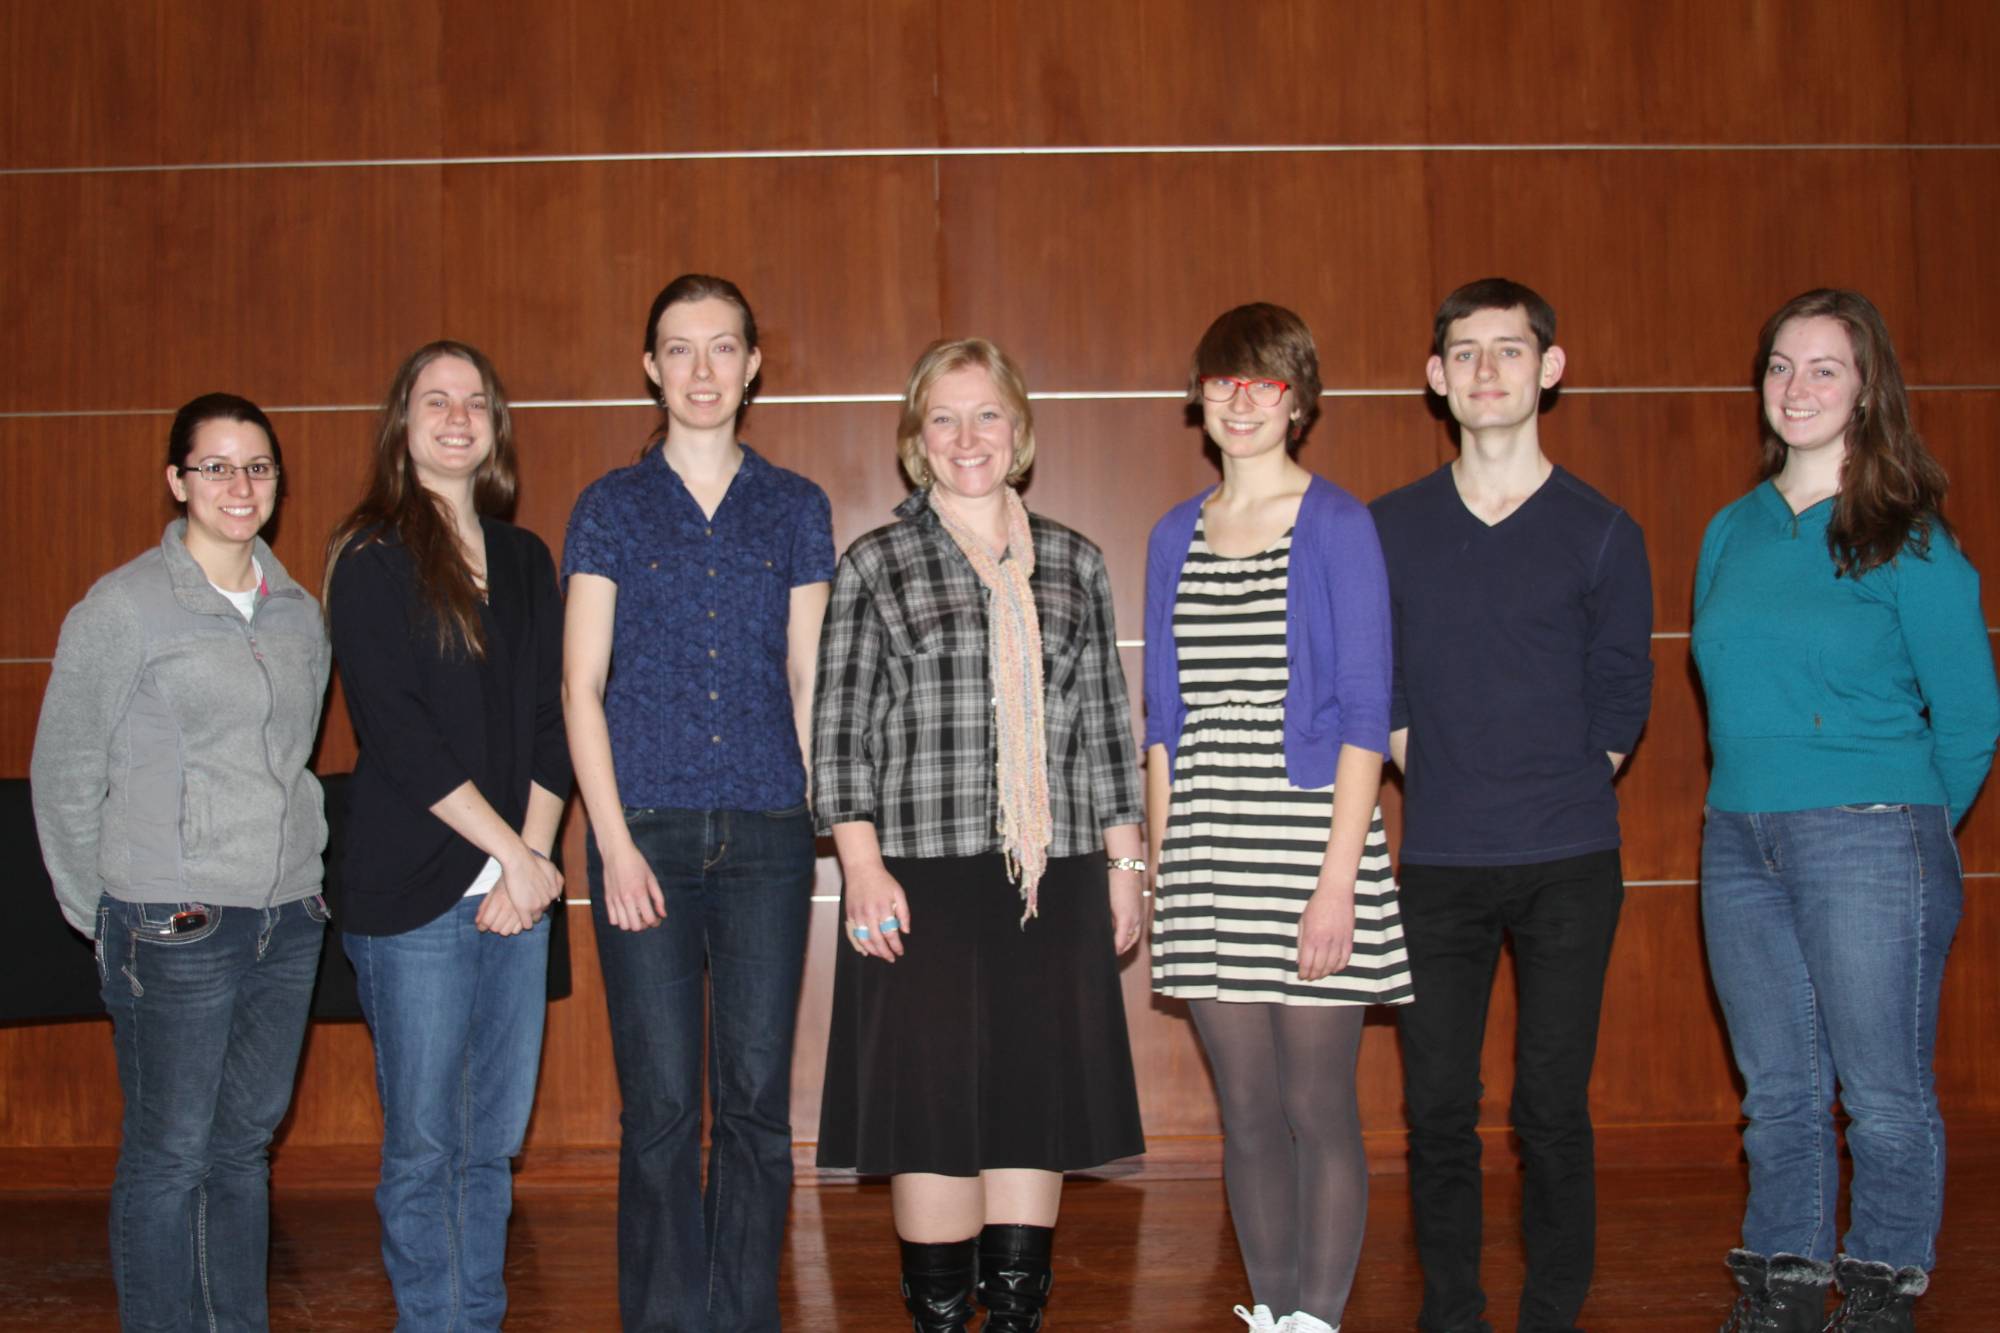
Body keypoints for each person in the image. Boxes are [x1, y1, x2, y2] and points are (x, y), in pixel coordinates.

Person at [813, 337, 1147, 1332]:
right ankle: (942, 1317)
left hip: (1053, 878)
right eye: (944, 418)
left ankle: (1012, 1315)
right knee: (933, 1120)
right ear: (917, 438)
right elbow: (838, 734)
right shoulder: (876, 561)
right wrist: (861, 867)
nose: (968, 437)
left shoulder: (1075, 563)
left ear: (1019, 430)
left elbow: (1100, 722)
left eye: (987, 414)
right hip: (919, 882)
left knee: (1028, 1107)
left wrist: (1126, 865)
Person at [1693, 289, 1999, 1332]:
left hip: (1871, 833)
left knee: (1880, 1092)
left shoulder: (1905, 538)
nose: (1796, 387)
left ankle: (1876, 1294)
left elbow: (1966, 718)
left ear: (1867, 391)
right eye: (1779, 365)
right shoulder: (1728, 532)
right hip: (1736, 838)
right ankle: (1777, 1286)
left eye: (1824, 367)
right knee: (1775, 1087)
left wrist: (1898, 825)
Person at [1369, 278, 1654, 1333]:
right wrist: (1430, 764)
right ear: (1435, 378)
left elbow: (1621, 693)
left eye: (1508, 348)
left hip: (1568, 862)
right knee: (1437, 1111)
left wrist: (1553, 783)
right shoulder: (1388, 527)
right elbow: (1376, 682)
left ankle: (1548, 1314)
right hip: (1437, 860)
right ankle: (1452, 1313)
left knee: (1549, 1109)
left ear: (1550, 366)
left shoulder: (1601, 529)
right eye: (1464, 352)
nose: (1486, 369)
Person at [562, 273, 833, 1332]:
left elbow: (808, 683)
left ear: (753, 363)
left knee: (758, 1109)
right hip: (648, 841)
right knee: (666, 1109)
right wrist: (614, 844)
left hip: (769, 836)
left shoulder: (796, 505)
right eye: (679, 348)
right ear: (650, 367)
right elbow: (581, 689)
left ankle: (740, 1318)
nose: (703, 369)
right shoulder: (611, 507)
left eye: (723, 347)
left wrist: (824, 829)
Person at [31, 393, 331, 1331]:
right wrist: (105, 909)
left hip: (286, 918)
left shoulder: (299, 614)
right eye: (215, 467)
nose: (238, 486)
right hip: (173, 921)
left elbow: (293, 756)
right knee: (169, 1153)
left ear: (276, 483)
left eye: (257, 468)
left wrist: (301, 886)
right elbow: (65, 768)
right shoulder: (121, 608)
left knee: (241, 1148)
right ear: (177, 480)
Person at [1144, 303, 1411, 1333]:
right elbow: (1161, 718)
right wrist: (1164, 869)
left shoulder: (1338, 522)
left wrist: (1337, 880)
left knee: (1316, 1107)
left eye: (1262, 383)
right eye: (1222, 383)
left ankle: (1317, 1319)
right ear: (1199, 401)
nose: (1241, 401)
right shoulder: (1175, 531)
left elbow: (1359, 708)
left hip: (1307, 841)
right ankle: (1272, 1313)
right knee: (1247, 1112)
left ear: (1296, 400)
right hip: (1209, 848)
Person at [325, 340, 571, 1332]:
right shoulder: (373, 554)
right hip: (412, 892)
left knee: (489, 1142)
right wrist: (511, 851)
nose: (457, 416)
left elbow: (554, 721)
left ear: (495, 425)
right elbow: (398, 734)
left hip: (520, 894)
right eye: (436, 400)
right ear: (403, 422)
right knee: (425, 1144)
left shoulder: (523, 556)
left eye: (475, 400)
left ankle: (476, 1318)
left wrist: (534, 861)